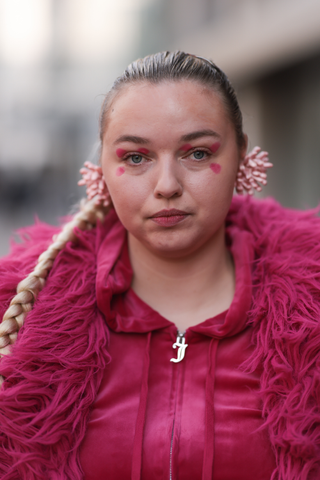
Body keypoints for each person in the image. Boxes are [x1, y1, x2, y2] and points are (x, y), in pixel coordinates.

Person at [0, 51, 319, 480]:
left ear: (242, 154)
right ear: (102, 170)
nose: (167, 185)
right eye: (136, 158)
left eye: (198, 153)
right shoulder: (22, 316)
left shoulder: (310, 310)